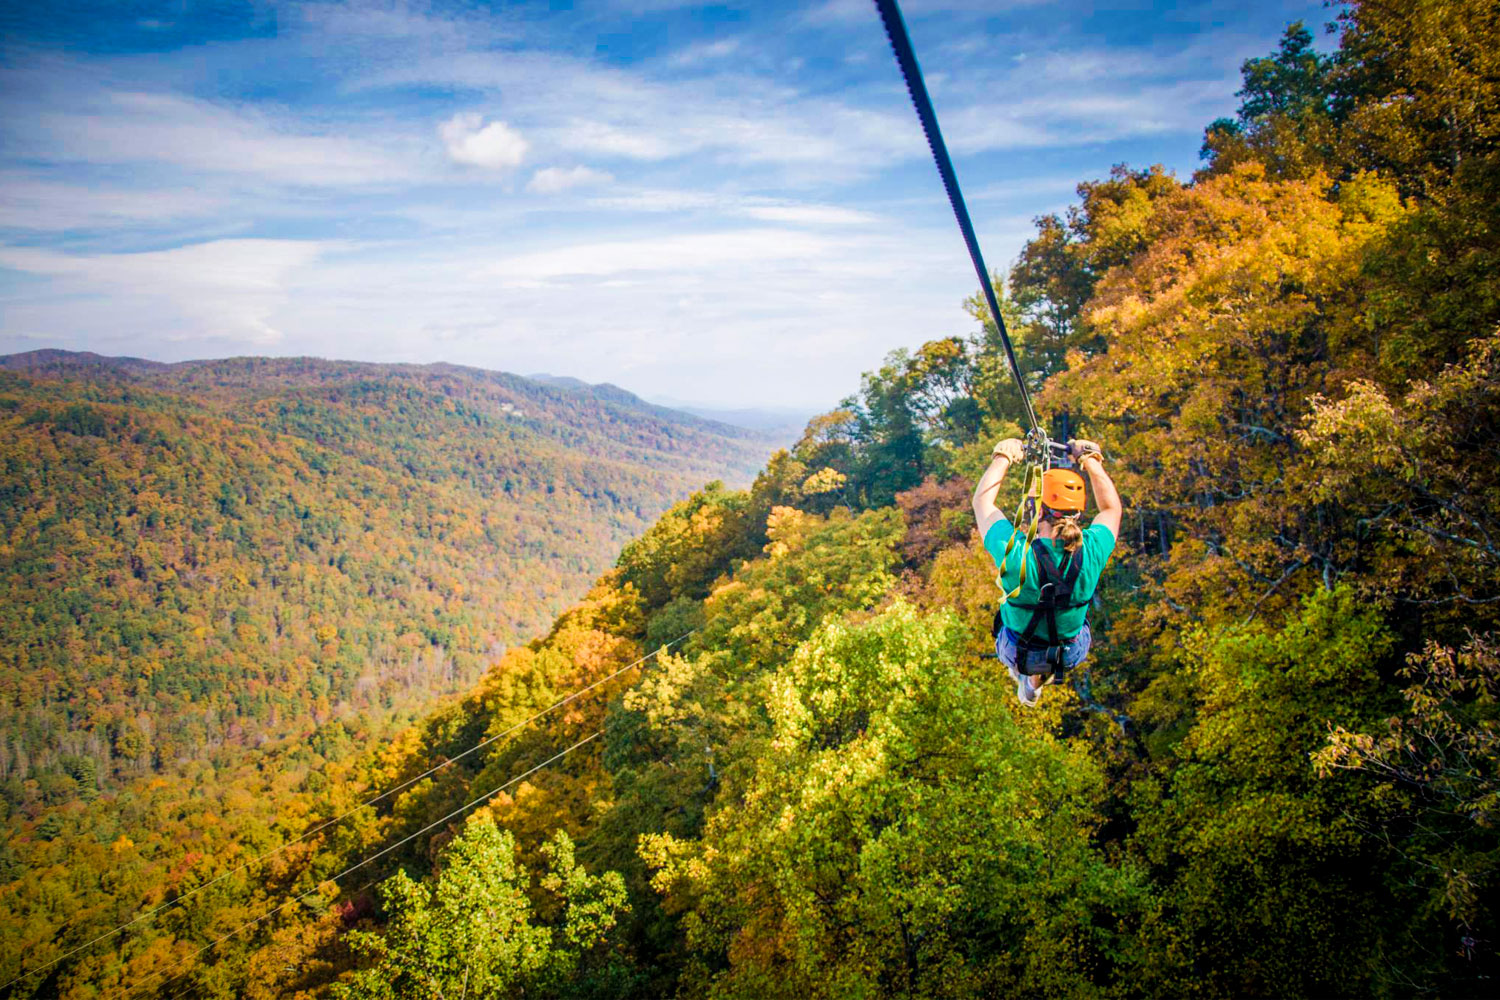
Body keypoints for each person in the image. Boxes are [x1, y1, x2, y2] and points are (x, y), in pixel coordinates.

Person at [971, 437, 1123, 706]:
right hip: (1069, 653)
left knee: (1010, 626)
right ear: (1077, 513)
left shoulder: (1015, 552)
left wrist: (1003, 457)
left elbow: (982, 504)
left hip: (1018, 651)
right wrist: (1091, 460)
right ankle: (1036, 679)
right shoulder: (1092, 548)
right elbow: (1112, 509)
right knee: (1065, 625)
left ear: (1037, 509)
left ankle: (1027, 676)